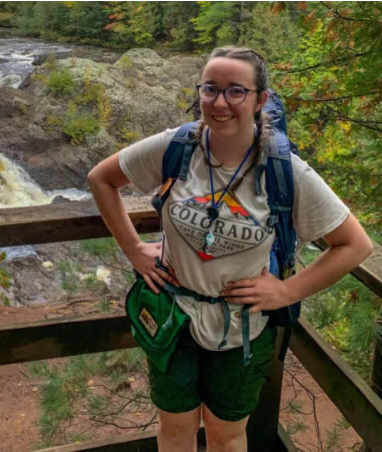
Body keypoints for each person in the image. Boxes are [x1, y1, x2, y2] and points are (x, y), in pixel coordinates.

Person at [87, 46, 373, 452]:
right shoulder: (176, 147)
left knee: (226, 435)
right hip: (173, 316)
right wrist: (133, 248)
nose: (220, 103)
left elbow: (355, 245)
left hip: (243, 328)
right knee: (175, 427)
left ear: (260, 99)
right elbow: (101, 178)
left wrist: (287, 291)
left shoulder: (283, 171)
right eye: (210, 89)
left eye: (236, 91)